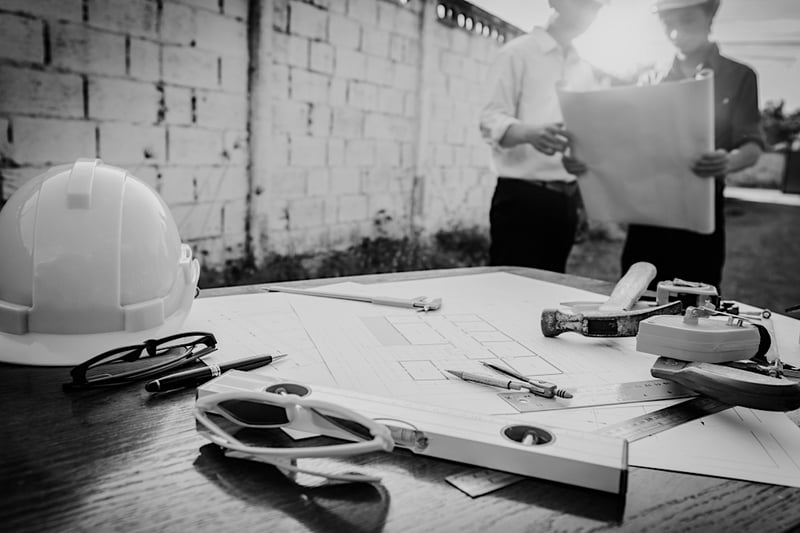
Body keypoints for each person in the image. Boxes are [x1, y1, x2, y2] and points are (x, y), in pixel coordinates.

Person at [619, 0, 764, 290]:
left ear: (709, 17)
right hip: (648, 217)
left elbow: (752, 145)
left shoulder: (739, 76)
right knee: (635, 301)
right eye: (667, 24)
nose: (675, 33)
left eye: (686, 21)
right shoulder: (649, 79)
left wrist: (728, 160)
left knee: (696, 309)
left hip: (701, 217)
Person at [479, 0, 607, 273]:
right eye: (581, 3)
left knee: (551, 296)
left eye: (596, 7)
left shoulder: (584, 70)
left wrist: (582, 199)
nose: (587, 15)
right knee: (507, 296)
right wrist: (530, 133)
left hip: (565, 202)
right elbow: (490, 121)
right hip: (521, 201)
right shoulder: (516, 53)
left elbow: (587, 136)